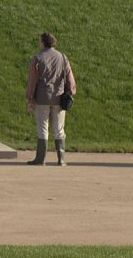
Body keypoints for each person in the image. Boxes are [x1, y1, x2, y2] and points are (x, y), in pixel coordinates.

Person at [25, 32, 77, 166]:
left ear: (43, 42)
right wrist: (71, 92)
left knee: (43, 128)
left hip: (42, 98)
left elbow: (33, 80)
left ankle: (41, 159)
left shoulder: (38, 58)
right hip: (59, 98)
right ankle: (61, 159)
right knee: (59, 128)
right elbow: (70, 79)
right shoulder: (63, 58)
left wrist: (30, 97)